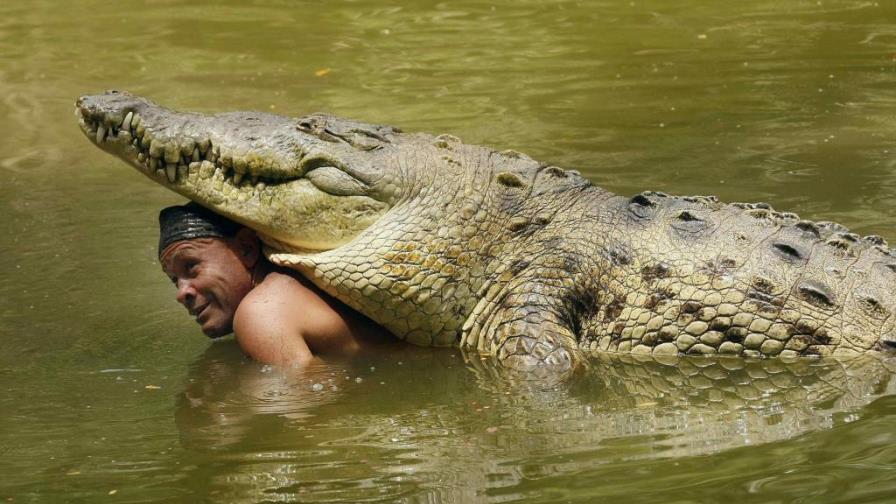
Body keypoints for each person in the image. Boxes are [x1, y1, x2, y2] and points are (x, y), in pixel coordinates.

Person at [158, 202, 391, 366]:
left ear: (246, 248)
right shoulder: (297, 282)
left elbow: (304, 416)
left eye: (191, 267)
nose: (181, 293)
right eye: (174, 280)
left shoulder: (261, 311)